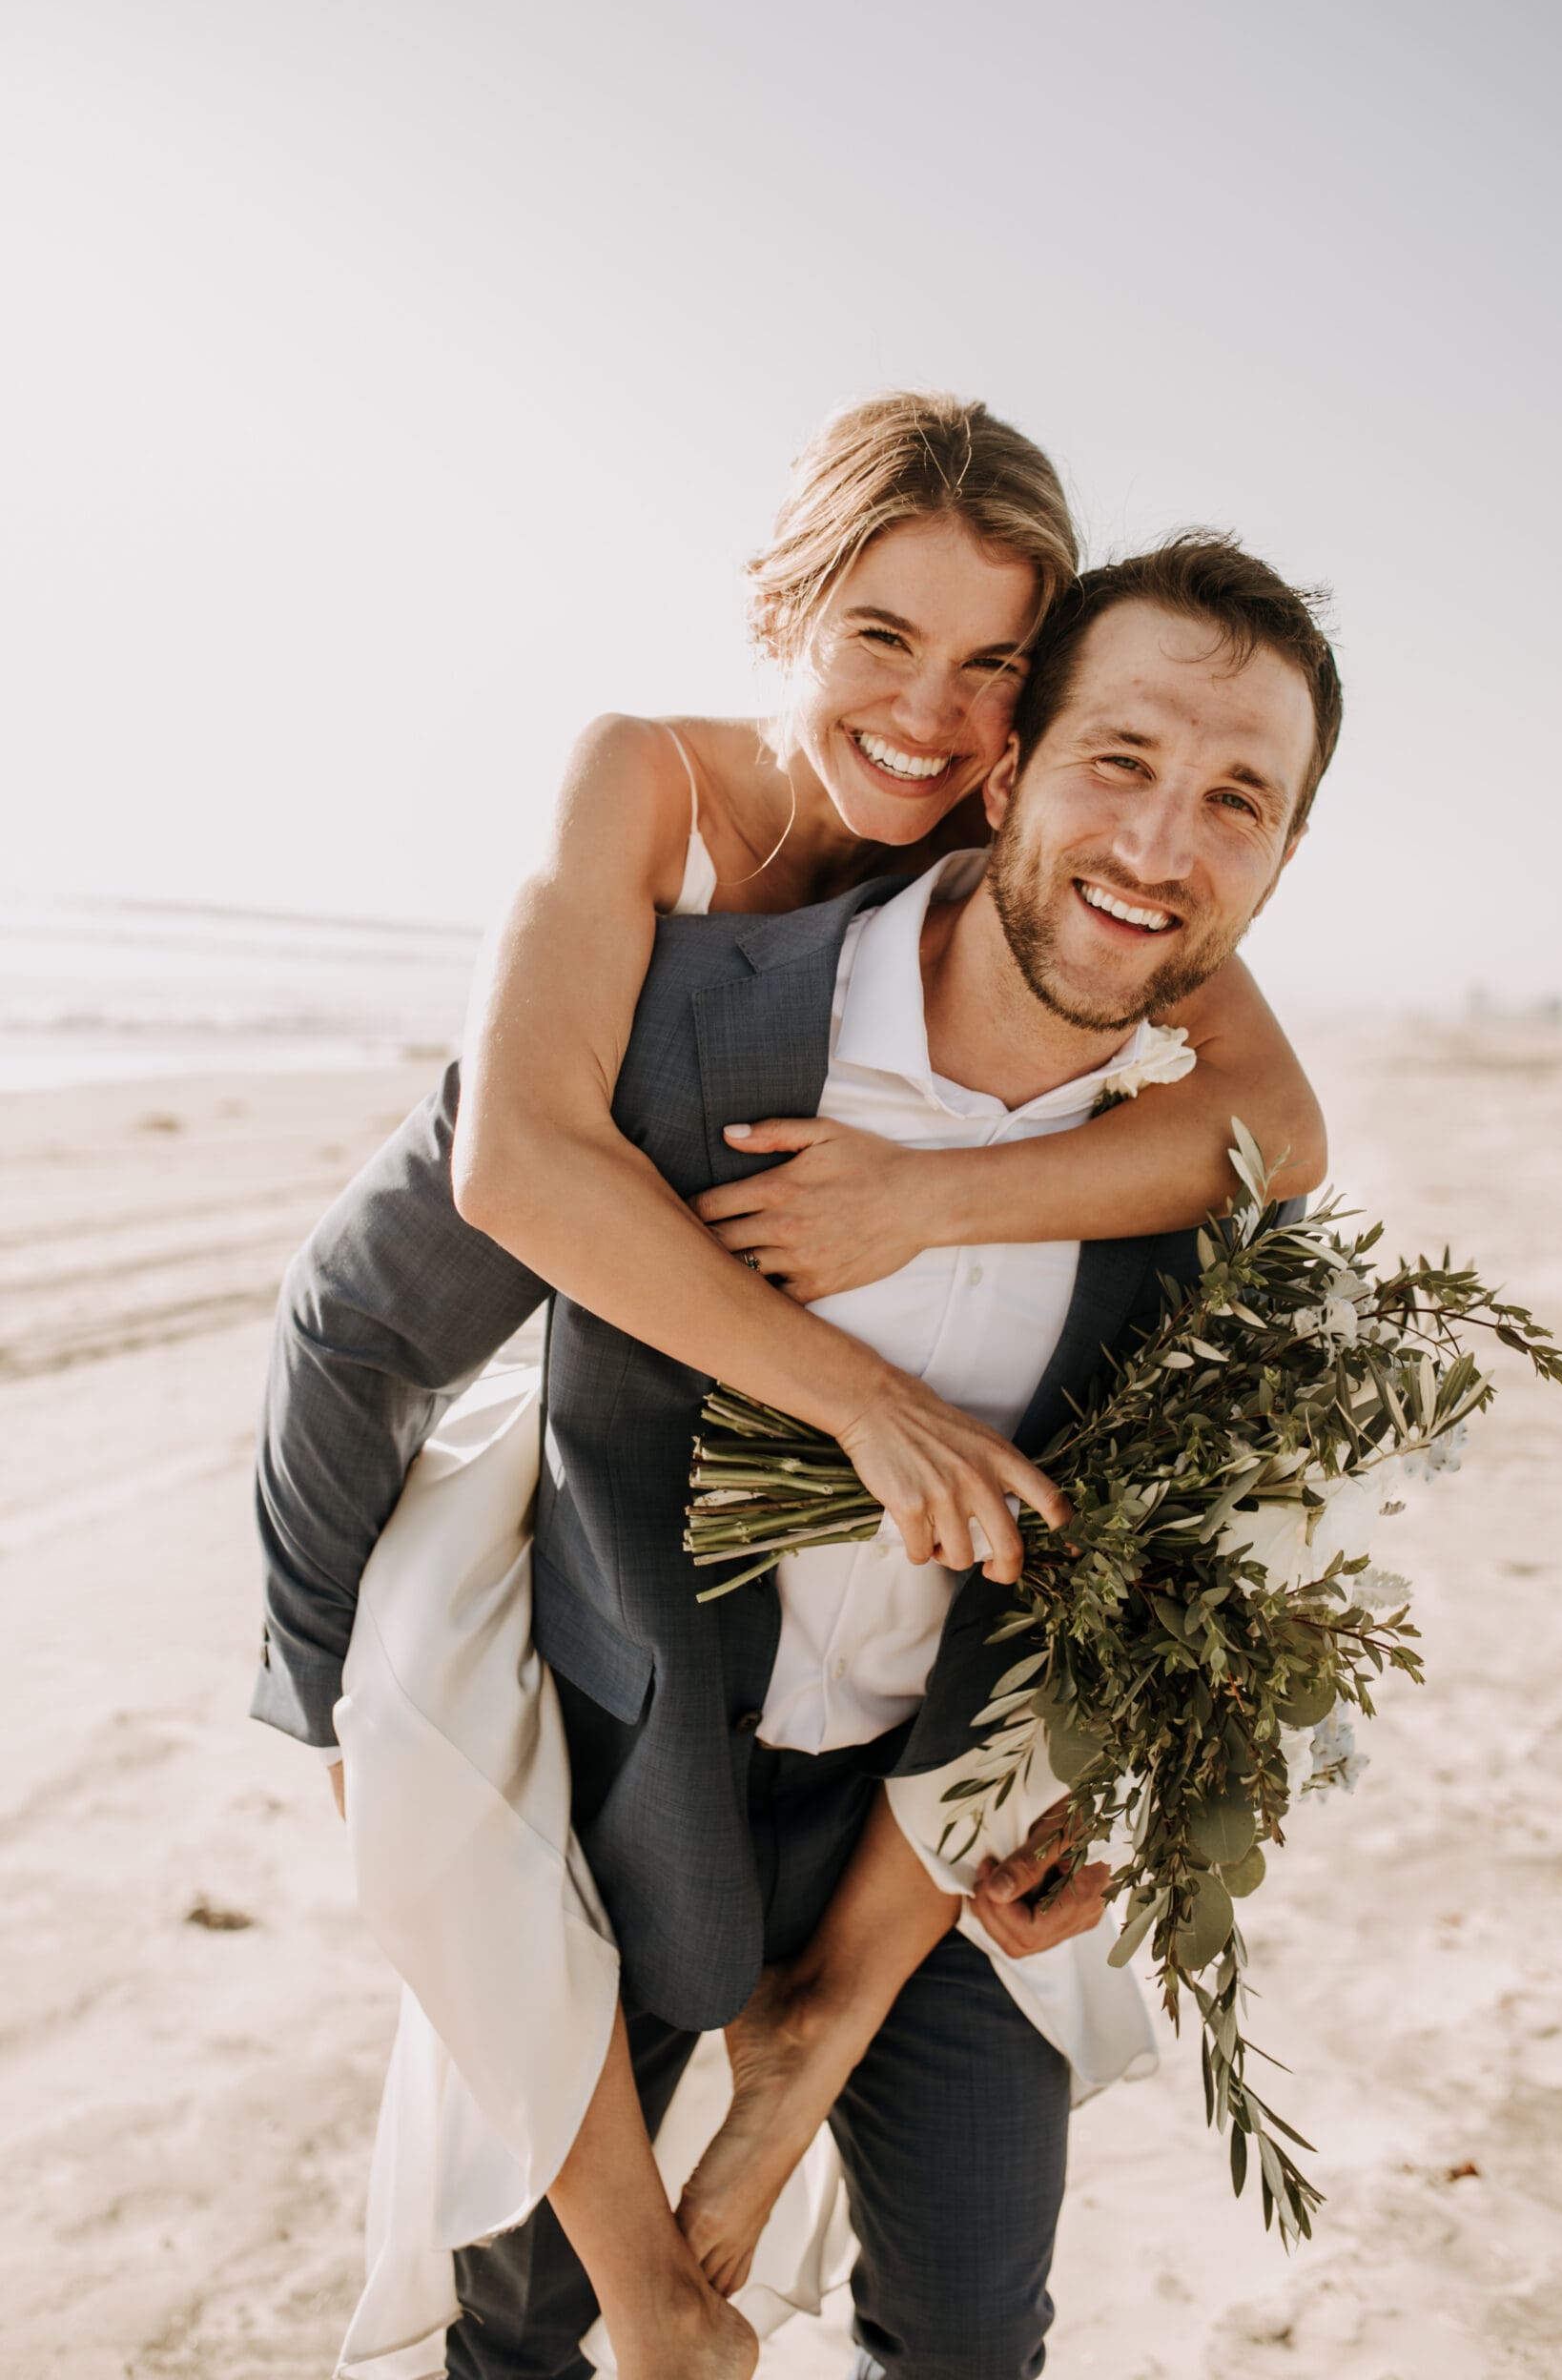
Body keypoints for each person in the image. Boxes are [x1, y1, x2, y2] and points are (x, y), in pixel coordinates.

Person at [256, 525, 1342, 2380]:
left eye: (1236, 799)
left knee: (972, 2329)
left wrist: (1095, 1797)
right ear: (999, 770)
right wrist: (320, 1694)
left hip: (926, 1852)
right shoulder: (676, 1025)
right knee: (522, 2323)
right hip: (625, 1782)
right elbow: (360, 1321)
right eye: (1118, 762)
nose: (1161, 848)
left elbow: (1158, 1559)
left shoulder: (1200, 1195)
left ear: (1284, 854)